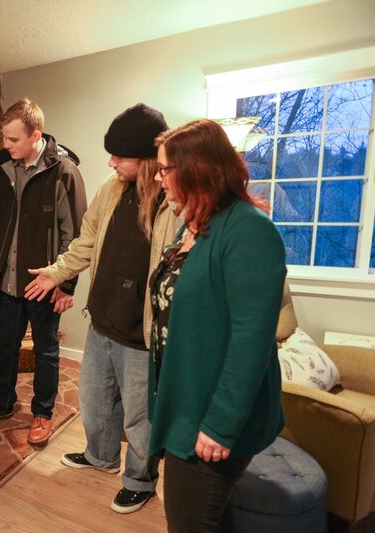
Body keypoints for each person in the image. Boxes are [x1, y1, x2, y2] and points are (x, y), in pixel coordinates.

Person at [25, 103, 177, 513]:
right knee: (94, 401)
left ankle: (139, 481)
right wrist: (57, 273)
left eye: (119, 155)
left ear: (147, 158)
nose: (110, 162)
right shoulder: (111, 190)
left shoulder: (173, 201)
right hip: (103, 319)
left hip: (141, 331)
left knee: (140, 418)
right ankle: (100, 456)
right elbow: (86, 241)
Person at [149, 119, 286, 532]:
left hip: (209, 415)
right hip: (185, 400)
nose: (158, 178)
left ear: (195, 169)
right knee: (211, 517)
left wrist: (220, 426)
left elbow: (252, 340)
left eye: (164, 169)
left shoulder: (249, 231)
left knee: (190, 521)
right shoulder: (192, 224)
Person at [0, 98, 87, 447]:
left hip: (45, 282)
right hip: (8, 279)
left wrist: (66, 285)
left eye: (13, 140)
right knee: (5, 346)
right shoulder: (3, 167)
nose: (6, 146)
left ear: (36, 135)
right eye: (4, 138)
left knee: (46, 350)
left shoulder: (63, 172)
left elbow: (76, 236)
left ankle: (43, 413)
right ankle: (3, 403)